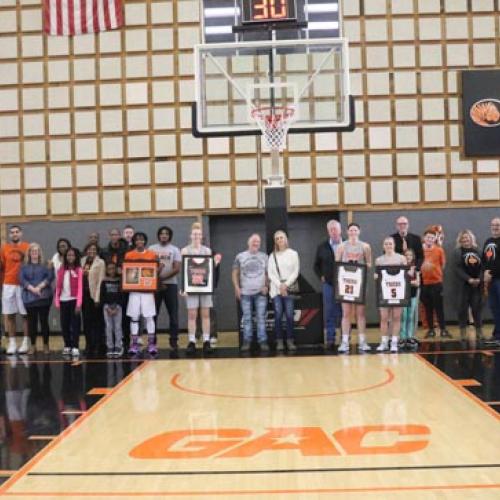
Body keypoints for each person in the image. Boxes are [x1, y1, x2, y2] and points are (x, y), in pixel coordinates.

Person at [335, 223, 372, 354]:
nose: (353, 232)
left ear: (359, 231)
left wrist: (358, 265)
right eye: (351, 230)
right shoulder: (341, 246)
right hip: (346, 282)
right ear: (347, 232)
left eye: (355, 230)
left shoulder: (365, 246)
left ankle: (362, 341)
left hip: (359, 282)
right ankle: (345, 342)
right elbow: (337, 263)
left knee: (360, 313)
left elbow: (369, 264)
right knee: (346, 313)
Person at [181, 223, 214, 355]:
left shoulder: (207, 251)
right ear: (191, 235)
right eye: (194, 234)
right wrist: (183, 288)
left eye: (199, 234)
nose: (196, 236)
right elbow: (183, 271)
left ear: (202, 236)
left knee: (205, 314)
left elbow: (209, 270)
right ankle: (192, 341)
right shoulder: (185, 250)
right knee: (192, 315)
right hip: (191, 287)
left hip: (205, 286)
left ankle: (206, 340)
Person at [232, 234, 269, 352]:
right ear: (248, 243)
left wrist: (266, 286)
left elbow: (268, 274)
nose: (255, 243)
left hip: (260, 293)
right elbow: (234, 273)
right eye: (253, 241)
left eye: (258, 241)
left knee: (261, 318)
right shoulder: (240, 256)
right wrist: (237, 288)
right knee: (247, 318)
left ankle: (262, 341)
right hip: (245, 293)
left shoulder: (265, 257)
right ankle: (247, 342)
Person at [125, 232, 159, 356]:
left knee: (149, 317)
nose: (139, 241)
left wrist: (157, 270)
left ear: (145, 241)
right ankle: (134, 344)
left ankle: (151, 343)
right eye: (137, 239)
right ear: (134, 241)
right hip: (134, 291)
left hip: (148, 291)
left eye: (142, 239)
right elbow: (127, 273)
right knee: (134, 318)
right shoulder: (129, 255)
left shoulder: (152, 254)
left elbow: (155, 270)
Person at [149, 226, 181, 353]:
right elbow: (148, 267)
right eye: (161, 233)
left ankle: (174, 341)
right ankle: (153, 342)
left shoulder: (175, 250)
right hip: (154, 286)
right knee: (153, 314)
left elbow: (177, 268)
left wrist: (162, 278)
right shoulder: (151, 249)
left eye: (166, 234)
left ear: (169, 236)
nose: (164, 235)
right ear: (158, 235)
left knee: (173, 314)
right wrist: (157, 280)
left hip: (170, 285)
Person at [267, 230, 300, 352]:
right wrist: (279, 285)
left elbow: (296, 271)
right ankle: (279, 341)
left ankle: (290, 340)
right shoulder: (272, 256)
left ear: (286, 239)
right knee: (278, 316)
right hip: (276, 290)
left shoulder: (293, 254)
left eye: (282, 237)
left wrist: (285, 285)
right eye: (277, 238)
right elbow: (270, 273)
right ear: (275, 241)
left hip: (289, 289)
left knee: (290, 316)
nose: (280, 240)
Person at [19, 243, 54, 355]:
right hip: (29, 298)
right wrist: (32, 289)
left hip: (44, 297)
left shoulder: (46, 264)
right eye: (32, 251)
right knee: (32, 323)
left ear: (40, 252)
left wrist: (39, 287)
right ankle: (33, 345)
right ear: (29, 253)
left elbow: (50, 277)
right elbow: (22, 279)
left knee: (44, 322)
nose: (34, 253)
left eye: (37, 250)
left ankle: (46, 345)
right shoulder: (23, 266)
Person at [1, 225, 30, 355]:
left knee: (25, 315)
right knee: (9, 314)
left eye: (17, 232)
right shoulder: (4, 248)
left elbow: (32, 265)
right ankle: (12, 342)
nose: (14, 234)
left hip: (23, 284)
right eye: (12, 232)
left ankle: (25, 342)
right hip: (8, 284)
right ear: (9, 235)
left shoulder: (27, 247)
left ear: (21, 234)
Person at [314, 219, 343, 350]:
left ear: (340, 230)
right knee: (329, 311)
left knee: (344, 312)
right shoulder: (322, 246)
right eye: (331, 229)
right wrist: (321, 276)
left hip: (345, 284)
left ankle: (345, 339)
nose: (333, 231)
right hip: (329, 284)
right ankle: (330, 339)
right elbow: (315, 265)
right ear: (328, 231)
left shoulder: (347, 244)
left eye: (335, 229)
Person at [374, 237, 407, 353]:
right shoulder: (379, 260)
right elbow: (377, 275)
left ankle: (394, 342)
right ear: (383, 246)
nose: (388, 246)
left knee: (396, 317)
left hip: (398, 291)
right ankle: (384, 342)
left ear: (394, 245)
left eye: (390, 243)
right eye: (386, 244)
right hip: (384, 292)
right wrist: (376, 277)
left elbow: (405, 275)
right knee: (383, 317)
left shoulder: (401, 258)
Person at [420, 230, 452, 339]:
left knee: (439, 307)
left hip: (436, 282)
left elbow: (443, 265)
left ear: (435, 239)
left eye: (432, 238)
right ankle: (431, 330)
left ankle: (443, 329)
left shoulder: (439, 250)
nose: (429, 239)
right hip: (424, 283)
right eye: (428, 237)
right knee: (428, 307)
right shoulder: (420, 250)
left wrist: (433, 269)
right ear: (424, 238)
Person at [453, 230, 483, 342]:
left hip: (477, 285)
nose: (465, 240)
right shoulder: (457, 252)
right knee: (462, 309)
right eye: (463, 239)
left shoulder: (478, 250)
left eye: (467, 238)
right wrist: (468, 279)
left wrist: (479, 279)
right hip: (463, 285)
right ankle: (463, 332)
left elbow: (483, 266)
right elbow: (457, 268)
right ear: (460, 240)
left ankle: (479, 331)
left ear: (471, 239)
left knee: (476, 308)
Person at [54, 247, 83, 358]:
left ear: (76, 257)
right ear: (65, 257)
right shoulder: (61, 270)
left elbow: (80, 288)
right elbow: (58, 287)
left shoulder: (78, 270)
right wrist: (57, 301)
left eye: (72, 255)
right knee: (64, 324)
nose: (70, 257)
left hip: (74, 300)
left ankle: (75, 346)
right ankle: (67, 345)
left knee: (75, 325)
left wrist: (78, 304)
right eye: (68, 255)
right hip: (63, 300)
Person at [81, 243, 105, 357]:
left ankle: (97, 345)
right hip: (83, 295)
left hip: (94, 296)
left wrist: (97, 298)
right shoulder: (81, 261)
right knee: (86, 322)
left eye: (94, 249)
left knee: (96, 322)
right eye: (89, 249)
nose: (91, 251)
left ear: (97, 251)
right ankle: (88, 344)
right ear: (86, 250)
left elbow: (101, 280)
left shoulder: (100, 262)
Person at [100, 262, 124, 358]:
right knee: (109, 327)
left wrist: (117, 307)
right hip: (107, 308)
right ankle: (110, 346)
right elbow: (102, 295)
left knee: (117, 327)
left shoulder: (119, 281)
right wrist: (107, 307)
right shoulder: (104, 281)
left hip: (118, 307)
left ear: (116, 269)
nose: (111, 271)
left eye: (113, 268)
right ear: (106, 270)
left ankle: (118, 346)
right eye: (109, 269)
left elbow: (122, 295)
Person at [483, 217, 500, 345]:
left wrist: (492, 272)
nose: (495, 227)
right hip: (491, 281)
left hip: (498, 279)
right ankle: (497, 334)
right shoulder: (488, 241)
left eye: (498, 225)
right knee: (495, 308)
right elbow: (485, 260)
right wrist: (485, 272)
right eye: (493, 225)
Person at [399, 248, 420, 350]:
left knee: (411, 316)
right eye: (406, 255)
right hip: (402, 295)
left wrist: (409, 282)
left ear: (413, 257)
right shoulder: (400, 269)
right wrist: (411, 282)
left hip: (412, 295)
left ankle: (410, 336)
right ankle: (402, 337)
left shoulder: (415, 268)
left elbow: (417, 283)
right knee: (403, 316)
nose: (408, 257)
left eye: (410, 255)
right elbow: (400, 282)